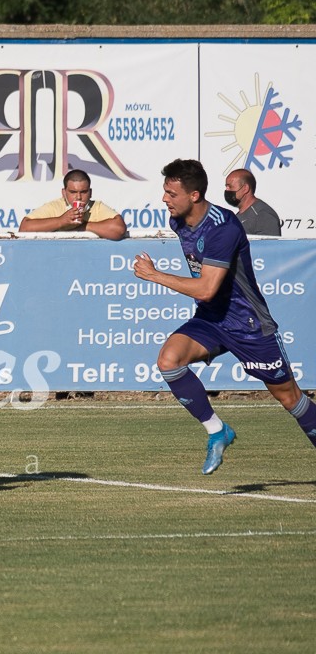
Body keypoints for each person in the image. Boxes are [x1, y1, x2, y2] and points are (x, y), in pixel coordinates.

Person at [133, 159, 316, 474]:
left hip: (248, 325)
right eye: (165, 192)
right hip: (212, 319)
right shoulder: (179, 221)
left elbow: (205, 288)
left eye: (171, 193)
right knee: (169, 360)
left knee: (290, 399)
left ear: (194, 195)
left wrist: (154, 275)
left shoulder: (223, 227)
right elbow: (207, 293)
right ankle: (218, 431)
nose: (164, 199)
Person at [19, 168, 127, 240]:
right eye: (73, 192)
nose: (78, 197)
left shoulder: (96, 206)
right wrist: (61, 221)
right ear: (64, 192)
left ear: (90, 193)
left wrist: (83, 226)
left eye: (83, 192)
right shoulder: (55, 206)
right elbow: (24, 228)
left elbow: (119, 230)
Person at [224, 168, 281, 236]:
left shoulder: (262, 215)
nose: (227, 190)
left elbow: (268, 245)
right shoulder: (237, 216)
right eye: (226, 187)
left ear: (245, 188)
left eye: (230, 186)